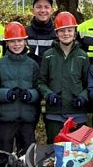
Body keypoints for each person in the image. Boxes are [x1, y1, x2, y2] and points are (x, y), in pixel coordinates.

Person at [39, 12, 90, 143]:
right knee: (54, 150)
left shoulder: (83, 56)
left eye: (69, 30)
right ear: (56, 33)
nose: (66, 34)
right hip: (54, 114)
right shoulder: (48, 56)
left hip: (77, 114)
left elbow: (89, 84)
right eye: (62, 31)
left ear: (75, 32)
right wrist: (49, 94)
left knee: (78, 153)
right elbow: (41, 82)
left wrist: (83, 97)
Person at [0, 21, 41, 154]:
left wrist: (31, 95)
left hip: (27, 117)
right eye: (12, 41)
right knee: (3, 154)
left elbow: (39, 88)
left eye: (19, 40)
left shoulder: (33, 65)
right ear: (6, 43)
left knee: (27, 156)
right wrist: (6, 94)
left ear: (25, 42)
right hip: (5, 118)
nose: (16, 44)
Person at [26, 0, 57, 64]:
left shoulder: (59, 33)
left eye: (46, 7)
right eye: (38, 7)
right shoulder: (24, 33)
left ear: (51, 11)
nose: (43, 10)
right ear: (32, 11)